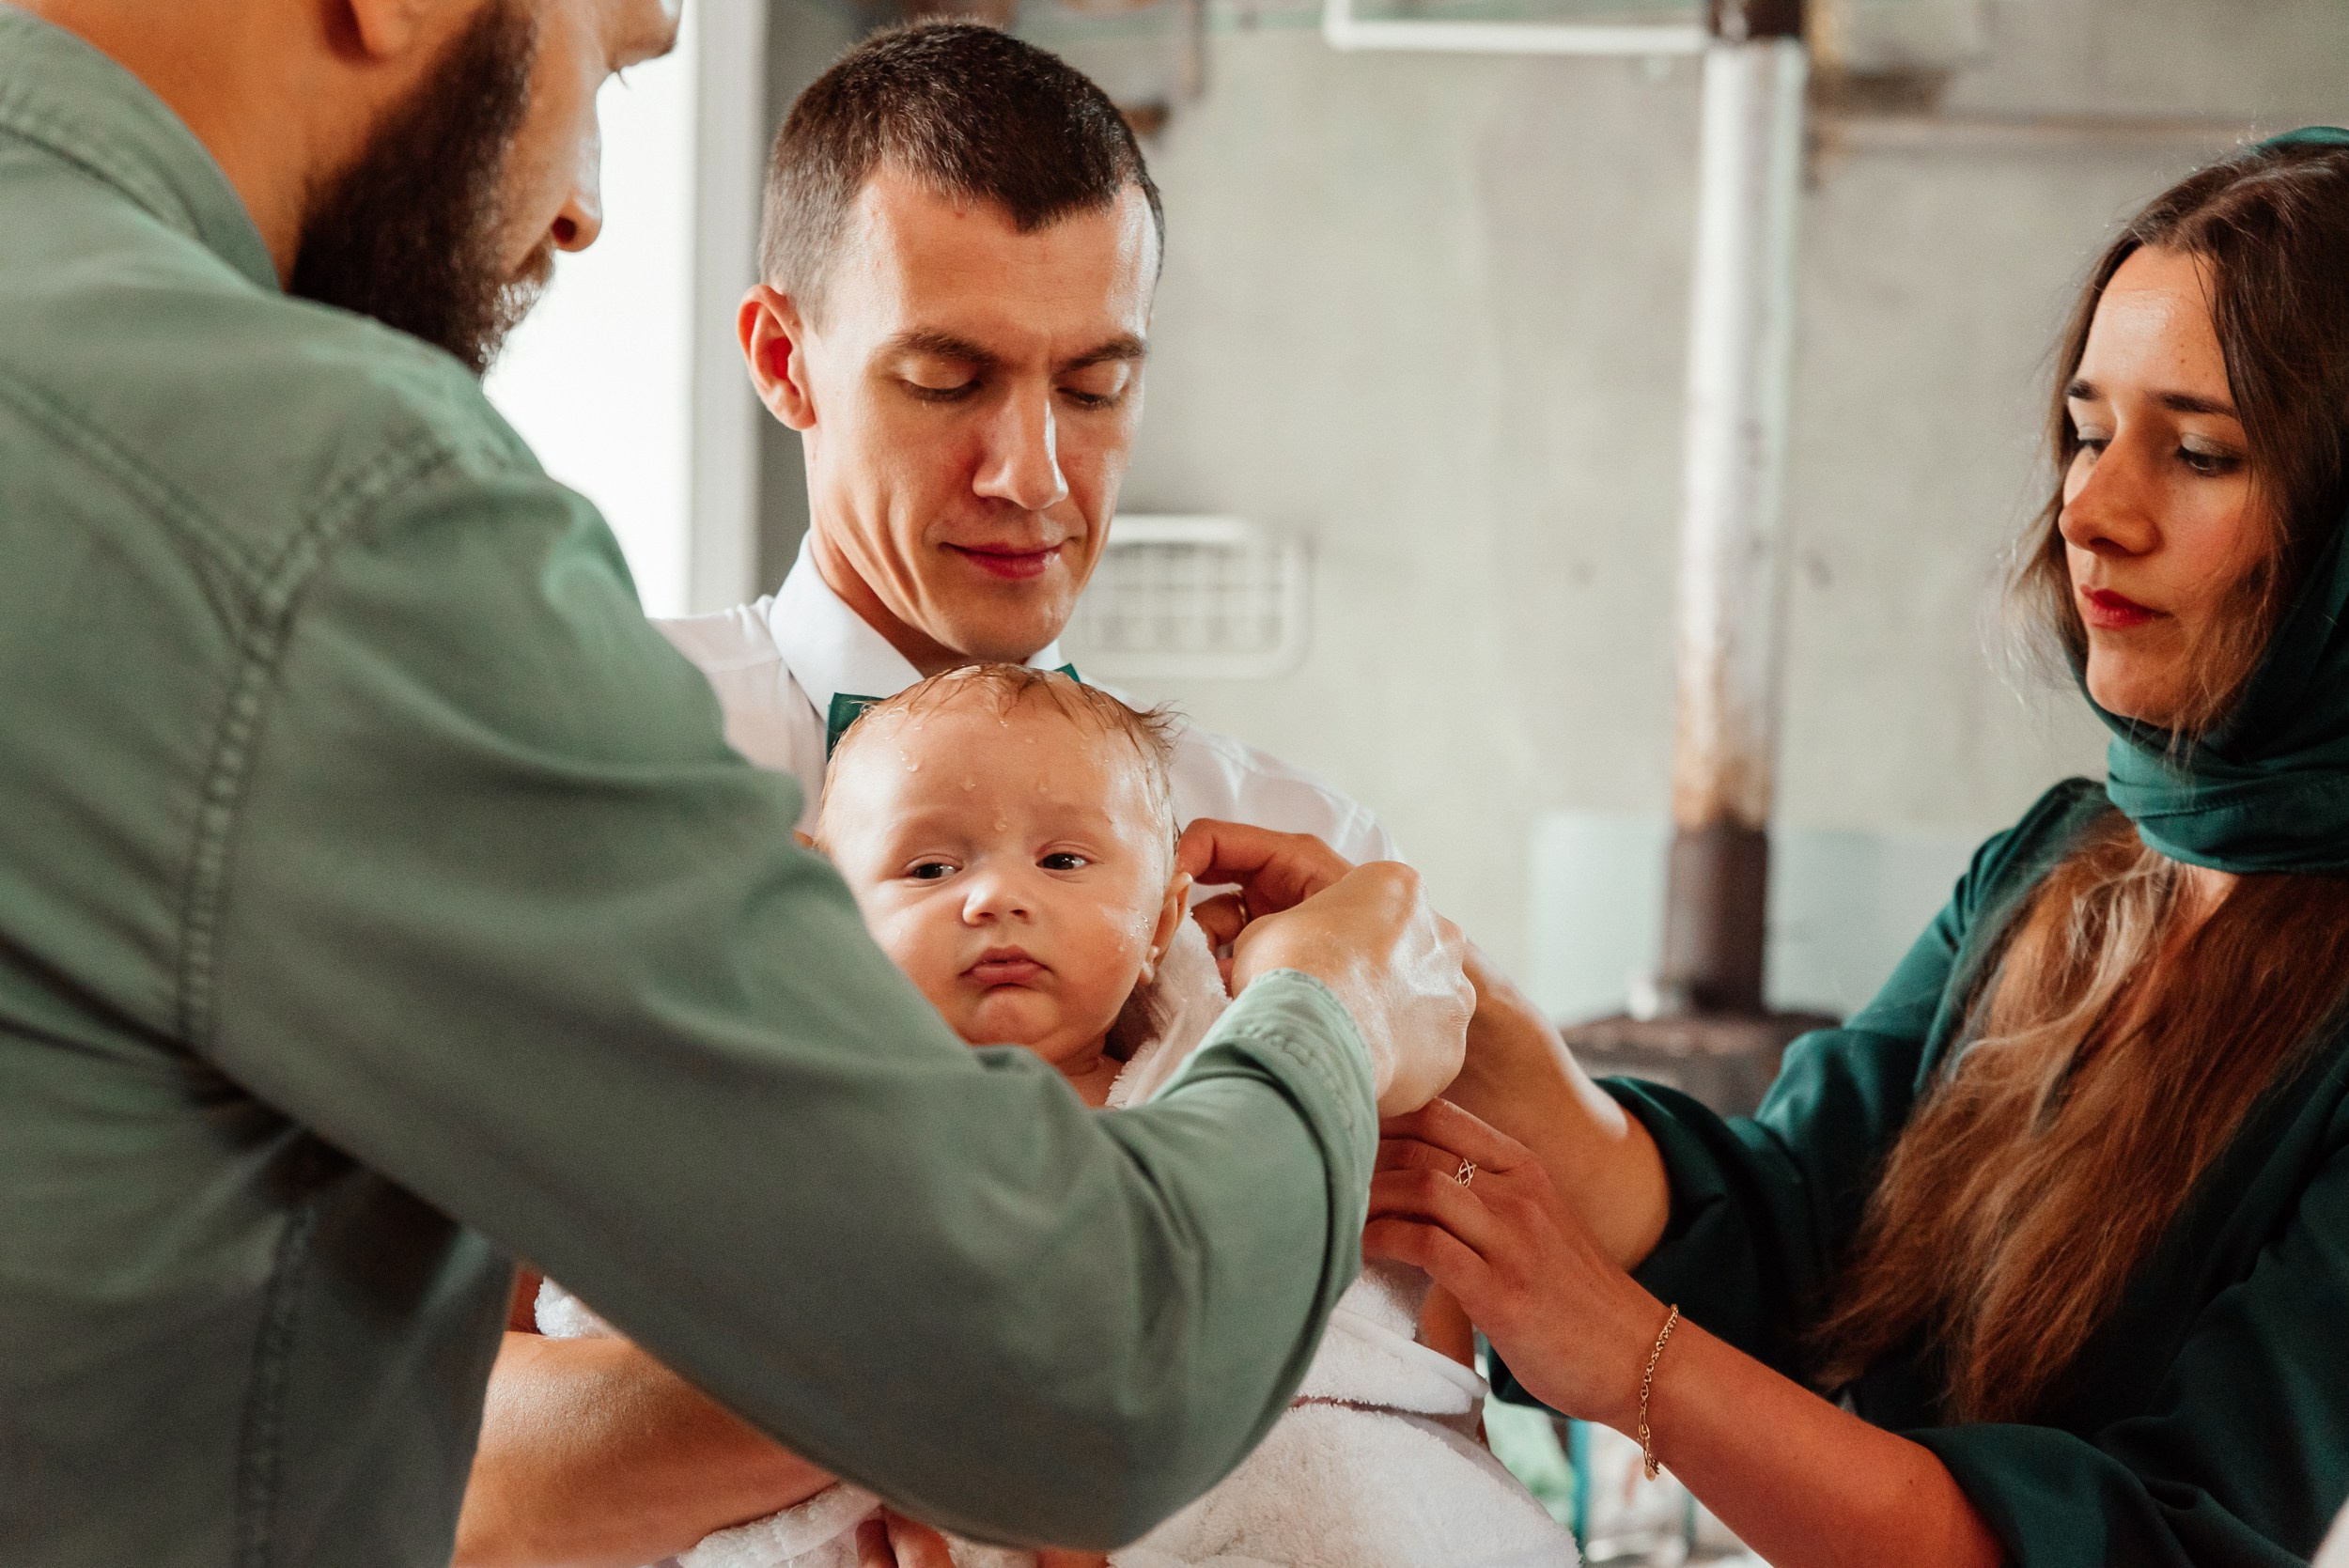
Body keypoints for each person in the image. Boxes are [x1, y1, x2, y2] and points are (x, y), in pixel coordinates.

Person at [0, 4, 1477, 1565]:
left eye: (1098, 382)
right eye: (609, 61)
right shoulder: (373, 574)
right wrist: (1321, 1007)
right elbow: (1081, 1353)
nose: (582, 207)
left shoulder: (1299, 835)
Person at [455, 25, 1479, 1566]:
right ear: (783, 360)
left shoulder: (1300, 860)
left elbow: (1404, 1418)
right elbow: (422, 1456)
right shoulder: (556, 762)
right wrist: (1055, 1363)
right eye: (949, 379)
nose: (1036, 473)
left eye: (1096, 383)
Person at [1367, 132, 2349, 1565]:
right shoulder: (2054, 869)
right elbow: (1792, 1234)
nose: (2090, 512)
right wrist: (1483, 1034)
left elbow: (2154, 1544)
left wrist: (1622, 1353)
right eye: (2086, 431)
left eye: (2198, 452)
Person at [531, 666, 1578, 1568]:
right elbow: (624, 1299)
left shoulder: (1243, 1090)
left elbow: (1417, 1373)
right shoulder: (774, 1121)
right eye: (930, 866)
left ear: (1164, 909)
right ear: (822, 902)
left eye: (1064, 861)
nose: (994, 897)